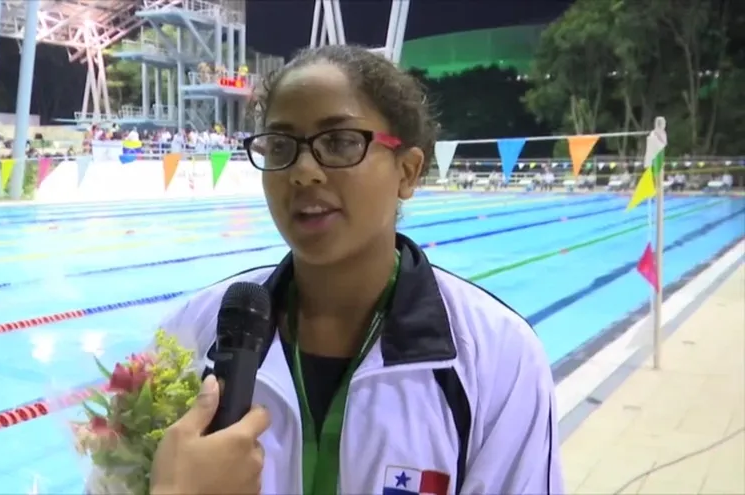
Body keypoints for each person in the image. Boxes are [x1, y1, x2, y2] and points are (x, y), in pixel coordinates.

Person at [88, 45, 563, 495]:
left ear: (409, 171)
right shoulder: (192, 334)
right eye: (280, 146)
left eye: (339, 142)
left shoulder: (493, 356)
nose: (303, 171)